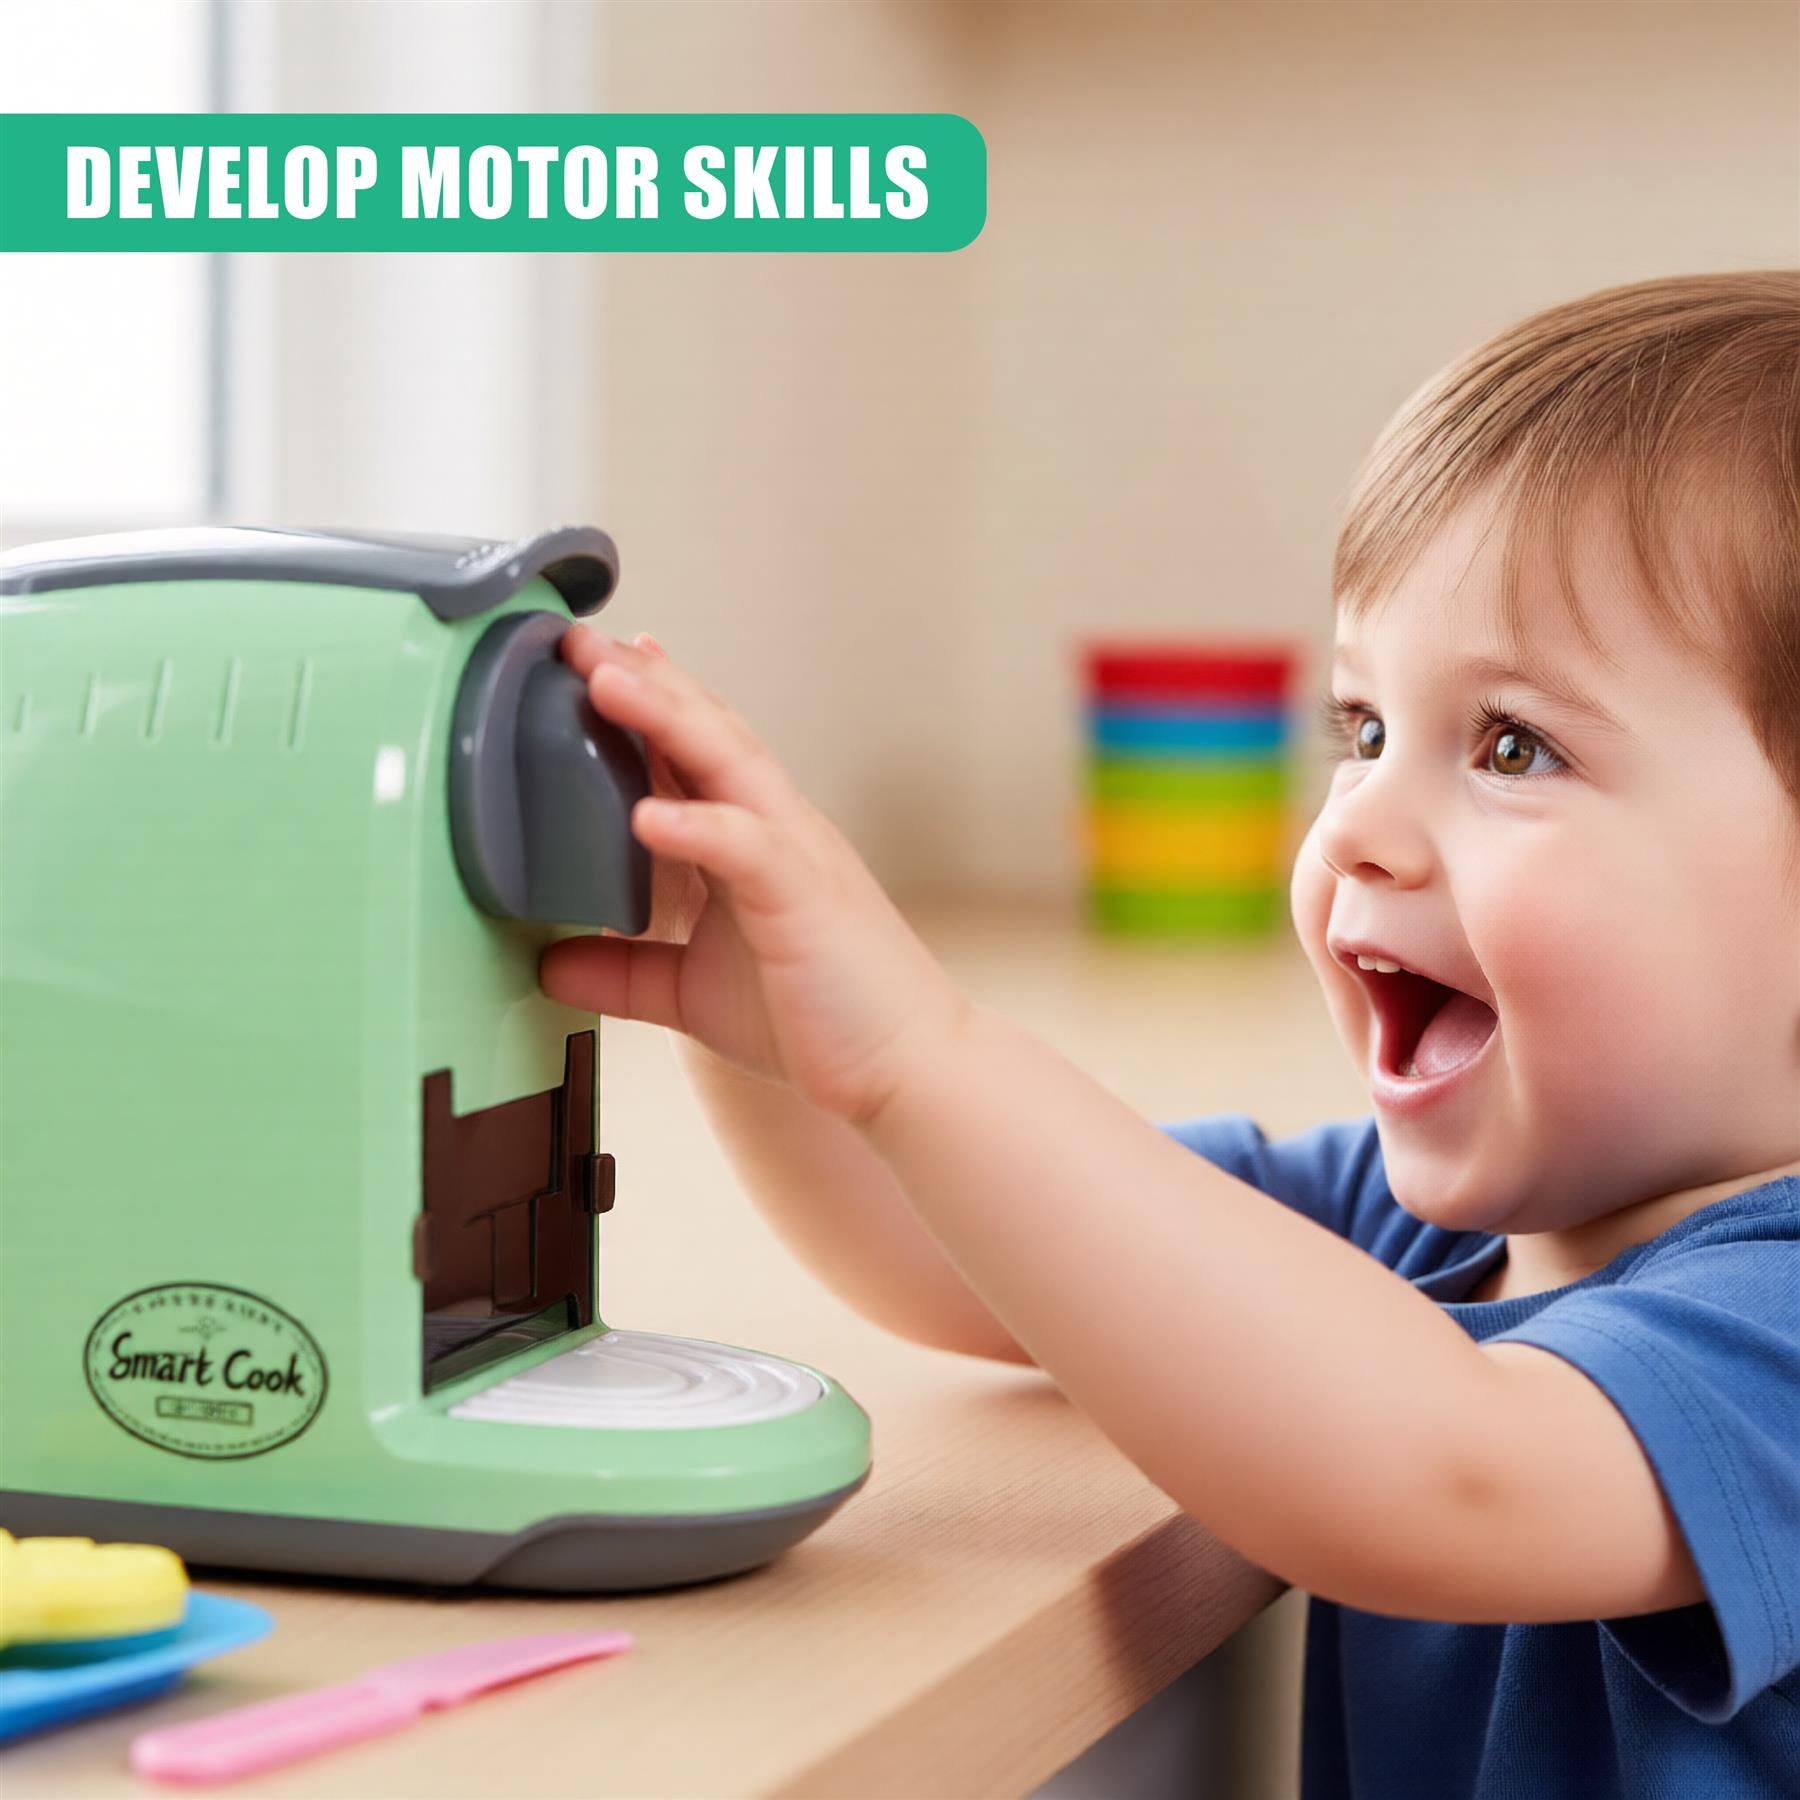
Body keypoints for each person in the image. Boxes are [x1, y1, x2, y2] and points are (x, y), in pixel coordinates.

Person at [541, 271, 1800, 1798]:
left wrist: (924, 1055)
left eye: (1513, 746)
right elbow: (963, 1252)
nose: (1358, 826)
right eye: (1364, 730)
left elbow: (1447, 1474)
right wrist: (770, 1017)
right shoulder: (1420, 1232)